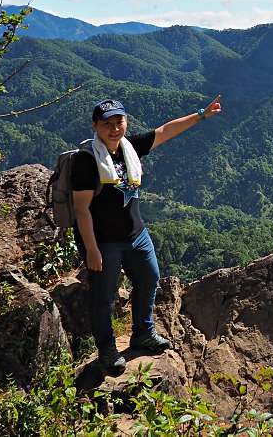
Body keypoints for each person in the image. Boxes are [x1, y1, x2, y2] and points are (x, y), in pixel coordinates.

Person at [71, 95, 222, 375]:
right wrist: (91, 249)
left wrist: (201, 115)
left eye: (119, 121)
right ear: (95, 126)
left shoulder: (130, 148)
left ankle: (142, 332)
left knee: (149, 278)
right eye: (107, 124)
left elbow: (165, 131)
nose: (115, 128)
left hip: (137, 235)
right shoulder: (86, 160)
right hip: (105, 242)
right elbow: (82, 210)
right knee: (103, 297)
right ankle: (106, 348)